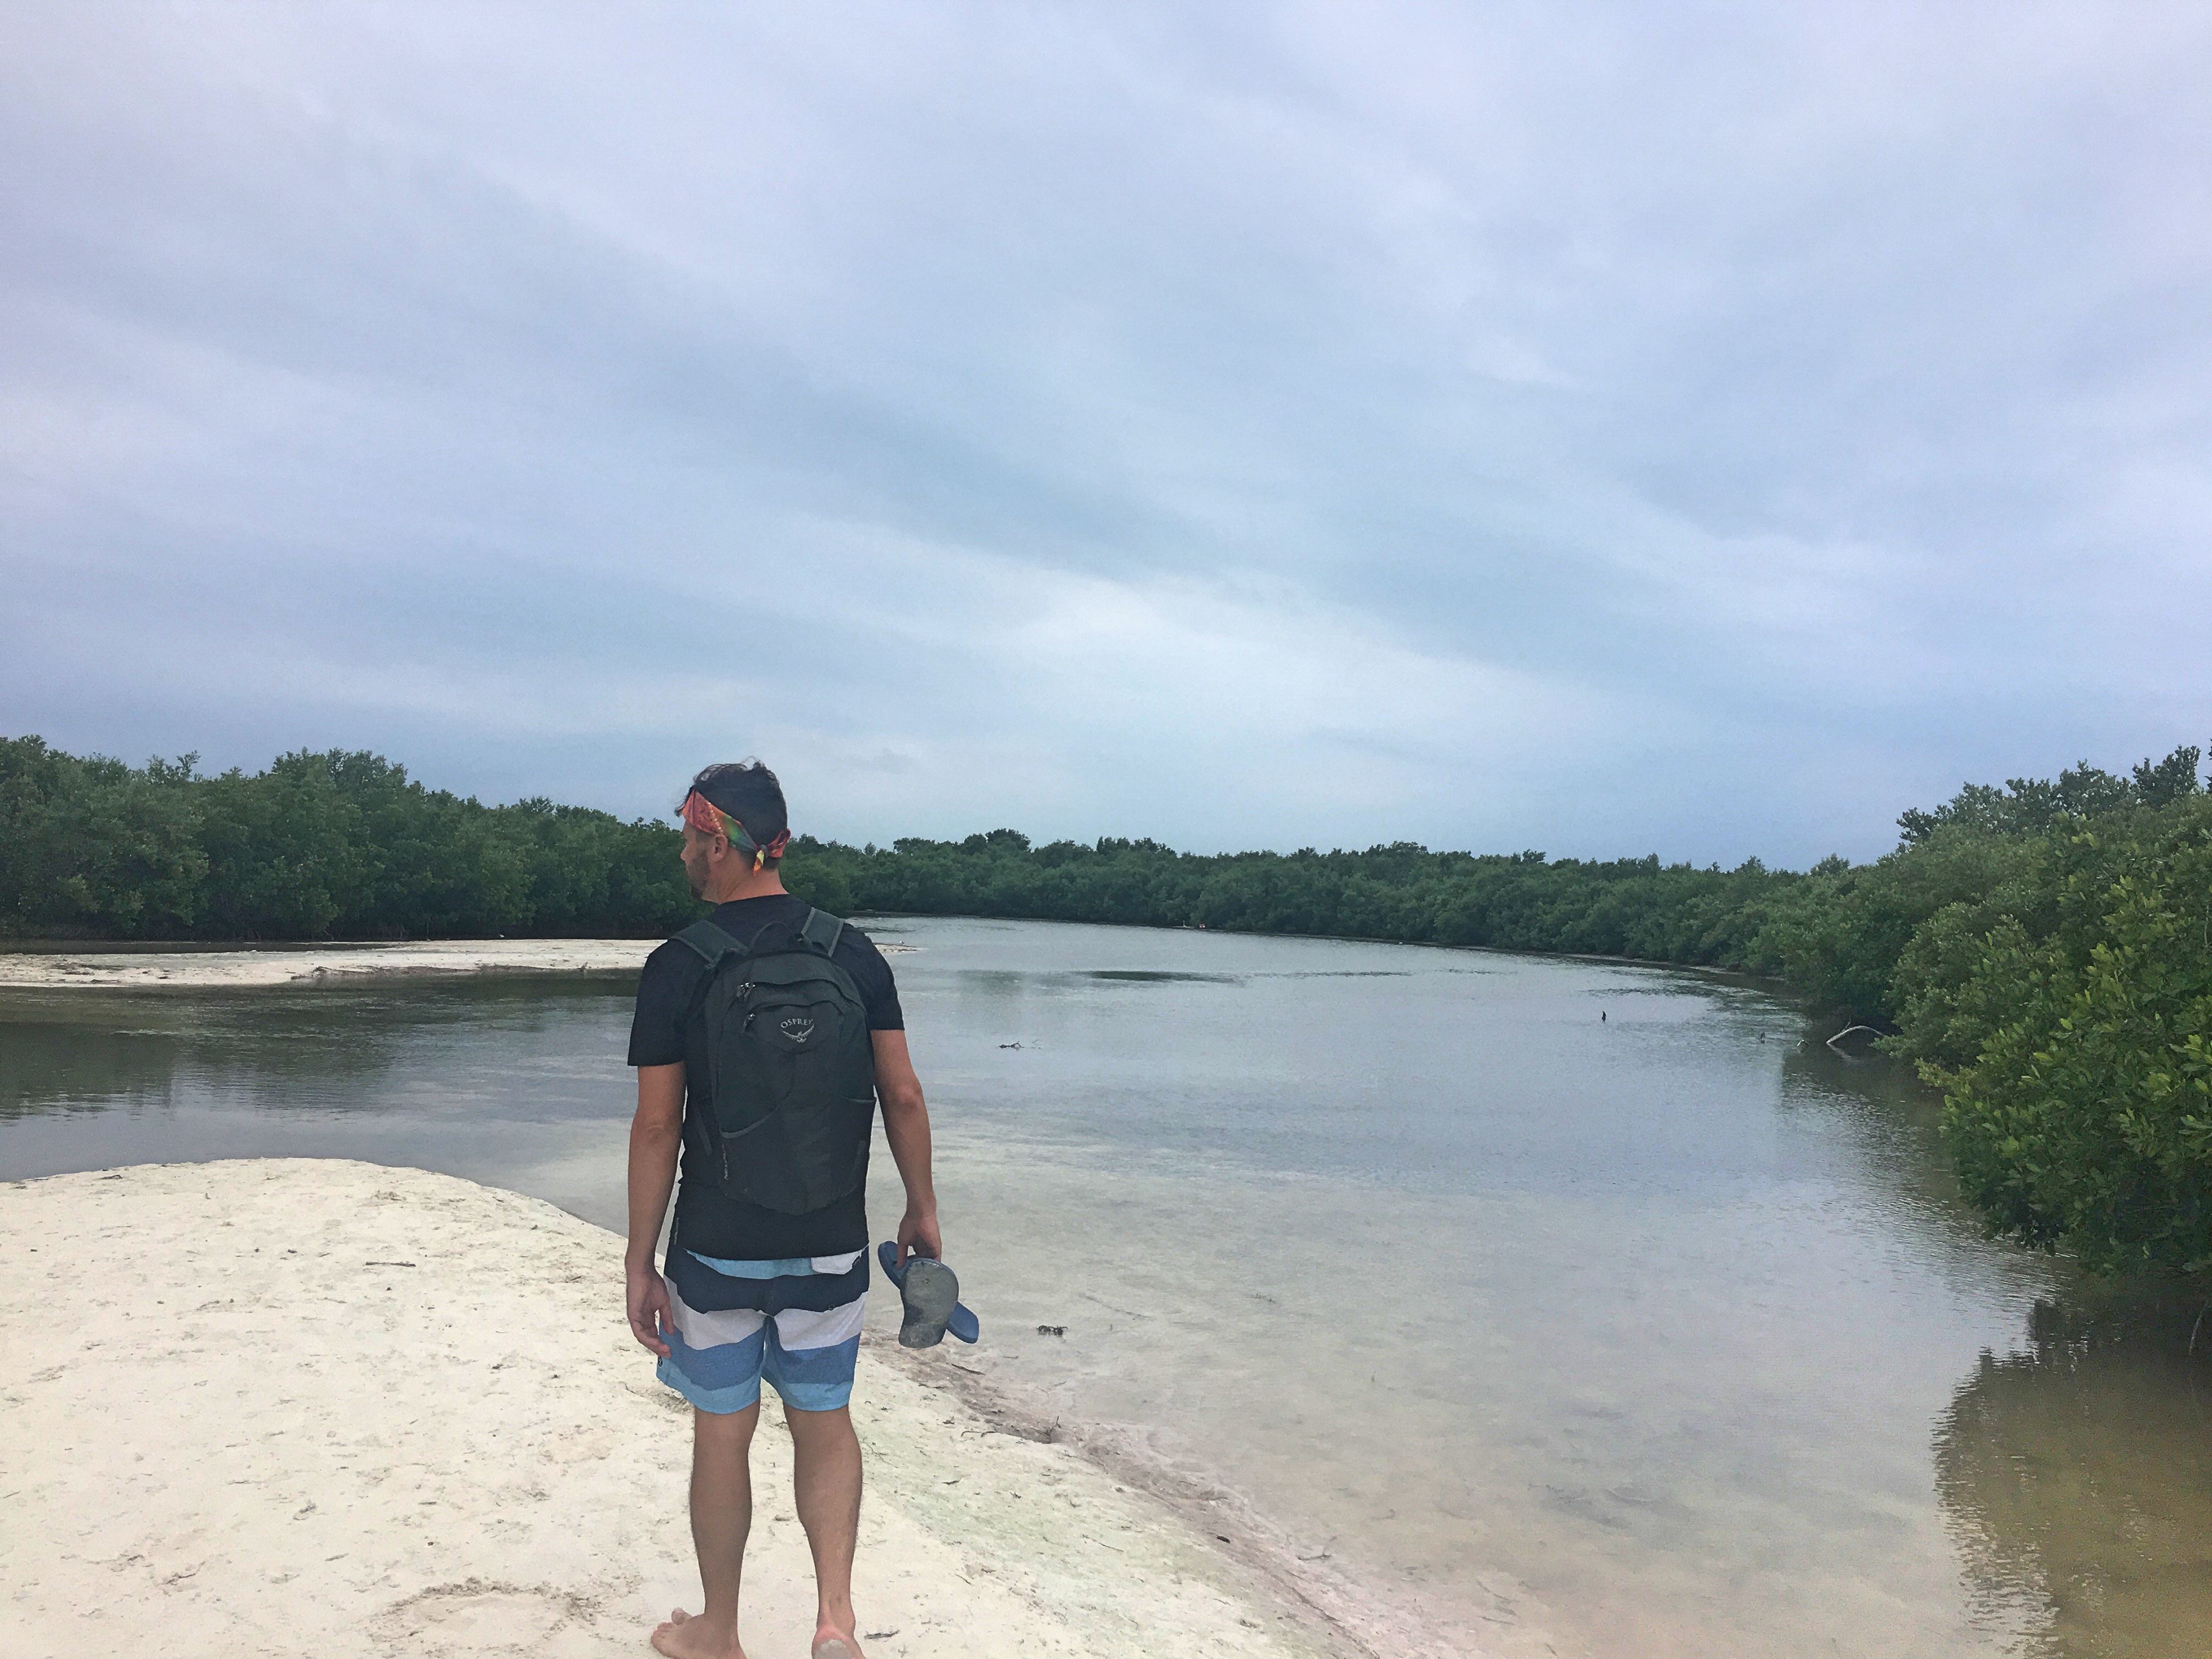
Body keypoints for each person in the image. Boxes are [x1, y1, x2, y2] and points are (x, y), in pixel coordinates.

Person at [625, 760, 941, 1659]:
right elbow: (905, 1096)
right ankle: (834, 1619)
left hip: (717, 1251)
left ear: (719, 844)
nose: (684, 853)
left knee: (723, 1436)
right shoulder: (854, 952)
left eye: (689, 839)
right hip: (832, 1245)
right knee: (826, 1419)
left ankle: (718, 1633)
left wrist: (640, 1261)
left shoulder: (679, 966)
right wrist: (919, 1210)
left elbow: (657, 1130)